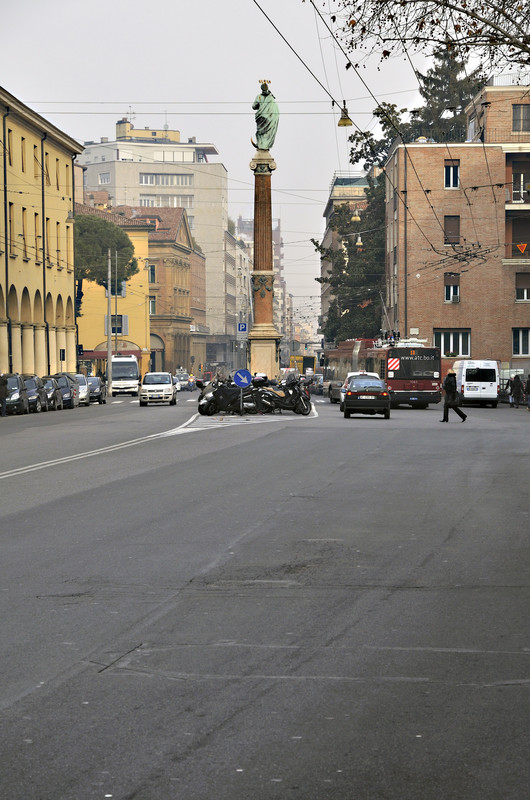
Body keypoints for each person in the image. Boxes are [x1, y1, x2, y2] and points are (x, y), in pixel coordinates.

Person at [252, 82, 279, 151]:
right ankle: (265, 145)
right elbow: (276, 110)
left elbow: (254, 106)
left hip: (261, 117)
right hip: (270, 118)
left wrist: (260, 105)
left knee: (260, 132)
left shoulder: (259, 96)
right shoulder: (271, 98)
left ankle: (260, 144)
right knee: (268, 132)